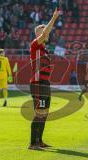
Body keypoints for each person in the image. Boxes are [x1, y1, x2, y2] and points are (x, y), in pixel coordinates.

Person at [28, 8, 60, 150]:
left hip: (45, 84)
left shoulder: (45, 50)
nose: (46, 32)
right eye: (43, 30)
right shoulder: (35, 45)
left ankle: (39, 141)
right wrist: (53, 19)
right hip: (38, 84)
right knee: (39, 113)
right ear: (38, 34)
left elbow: (47, 32)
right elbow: (47, 31)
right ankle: (32, 143)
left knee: (45, 113)